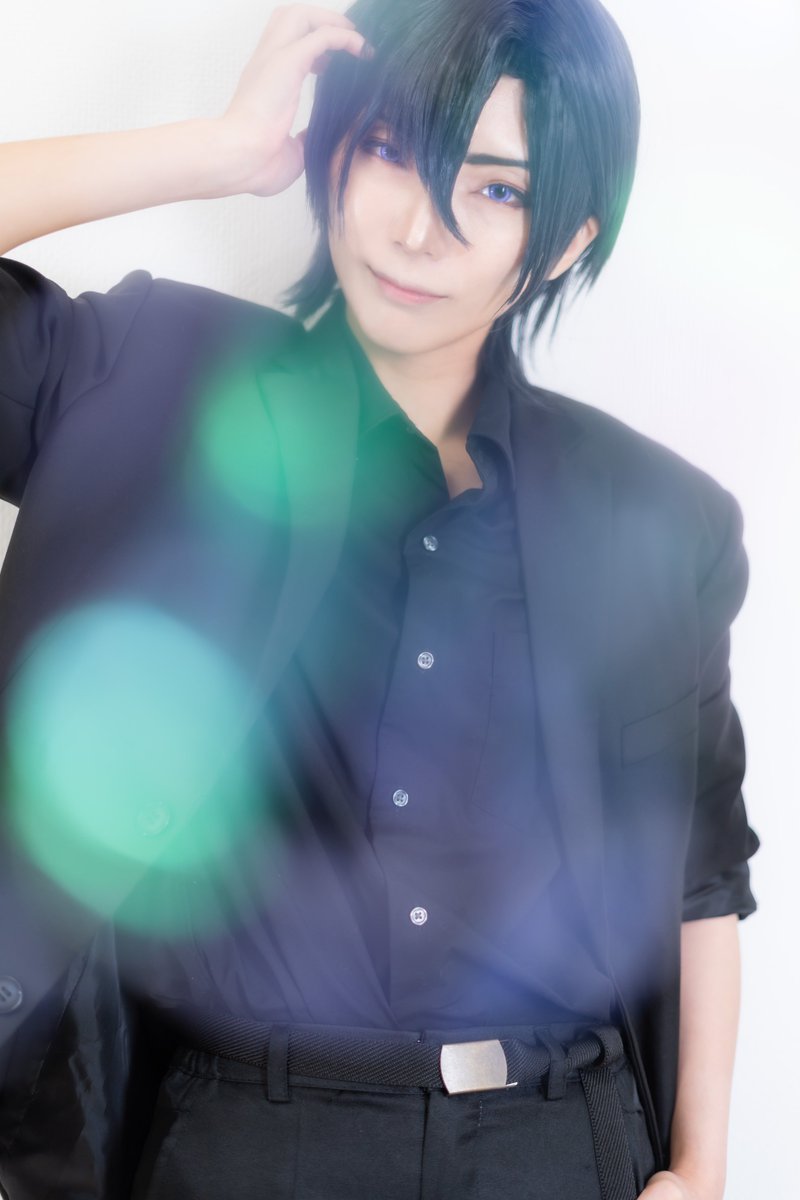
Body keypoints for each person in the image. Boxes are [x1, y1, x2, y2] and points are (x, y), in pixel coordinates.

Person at [0, 1, 760, 1198]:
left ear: (567, 238)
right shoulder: (148, 379)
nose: (417, 229)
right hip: (242, 1140)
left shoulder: (657, 520)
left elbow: (699, 872)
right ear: (335, 153)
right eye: (391, 151)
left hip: (556, 1143)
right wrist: (216, 149)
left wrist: (700, 1165)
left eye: (495, 189)